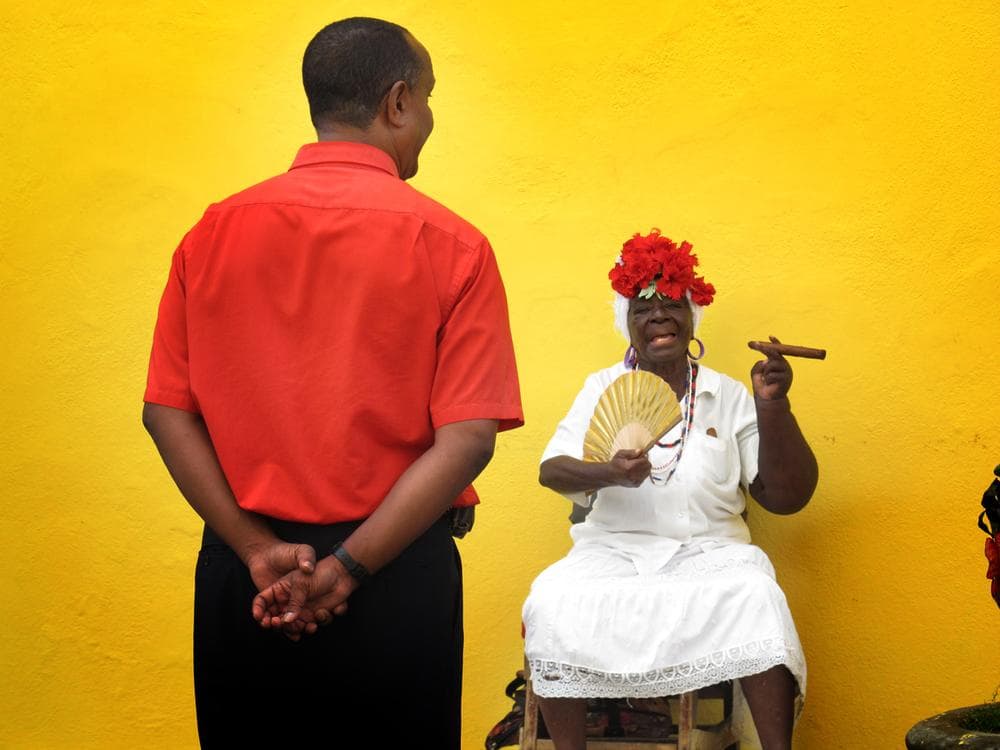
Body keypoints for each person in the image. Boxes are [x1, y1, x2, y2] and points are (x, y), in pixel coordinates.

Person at [142, 17, 523, 749]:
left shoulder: (211, 233)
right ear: (398, 102)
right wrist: (346, 569)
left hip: (247, 581)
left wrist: (255, 549)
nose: (429, 119)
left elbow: (166, 413)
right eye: (429, 98)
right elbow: (469, 439)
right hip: (394, 574)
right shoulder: (453, 244)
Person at [521, 229, 817, 750]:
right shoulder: (601, 387)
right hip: (614, 552)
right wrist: (610, 472)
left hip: (713, 554)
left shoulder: (727, 394)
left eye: (672, 304)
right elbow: (553, 471)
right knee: (551, 598)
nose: (659, 316)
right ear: (627, 324)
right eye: (643, 308)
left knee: (758, 596)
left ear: (692, 317)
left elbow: (786, 497)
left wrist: (773, 405)